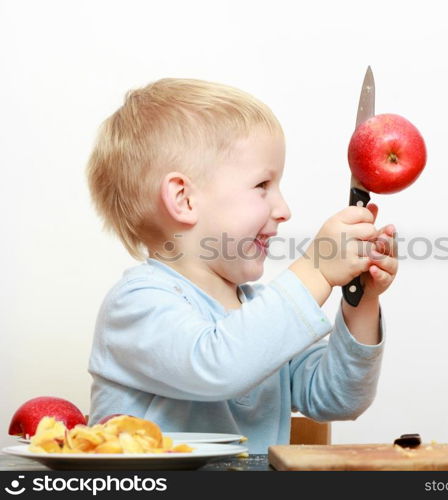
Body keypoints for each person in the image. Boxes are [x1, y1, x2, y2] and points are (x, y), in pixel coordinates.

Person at [85, 78, 398, 453]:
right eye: (263, 185)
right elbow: (219, 365)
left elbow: (337, 398)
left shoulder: (262, 313)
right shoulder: (135, 304)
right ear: (184, 199)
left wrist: (361, 298)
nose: (284, 211)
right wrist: (315, 270)